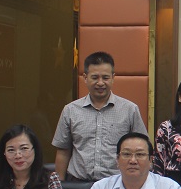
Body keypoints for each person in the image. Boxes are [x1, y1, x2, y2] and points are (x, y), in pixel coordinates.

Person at [52, 51, 148, 182]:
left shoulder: (130, 110)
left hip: (116, 183)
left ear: (113, 78)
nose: (100, 83)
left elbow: (142, 149)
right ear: (85, 77)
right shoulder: (70, 110)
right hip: (78, 183)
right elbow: (63, 151)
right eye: (95, 77)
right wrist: (59, 186)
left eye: (105, 78)